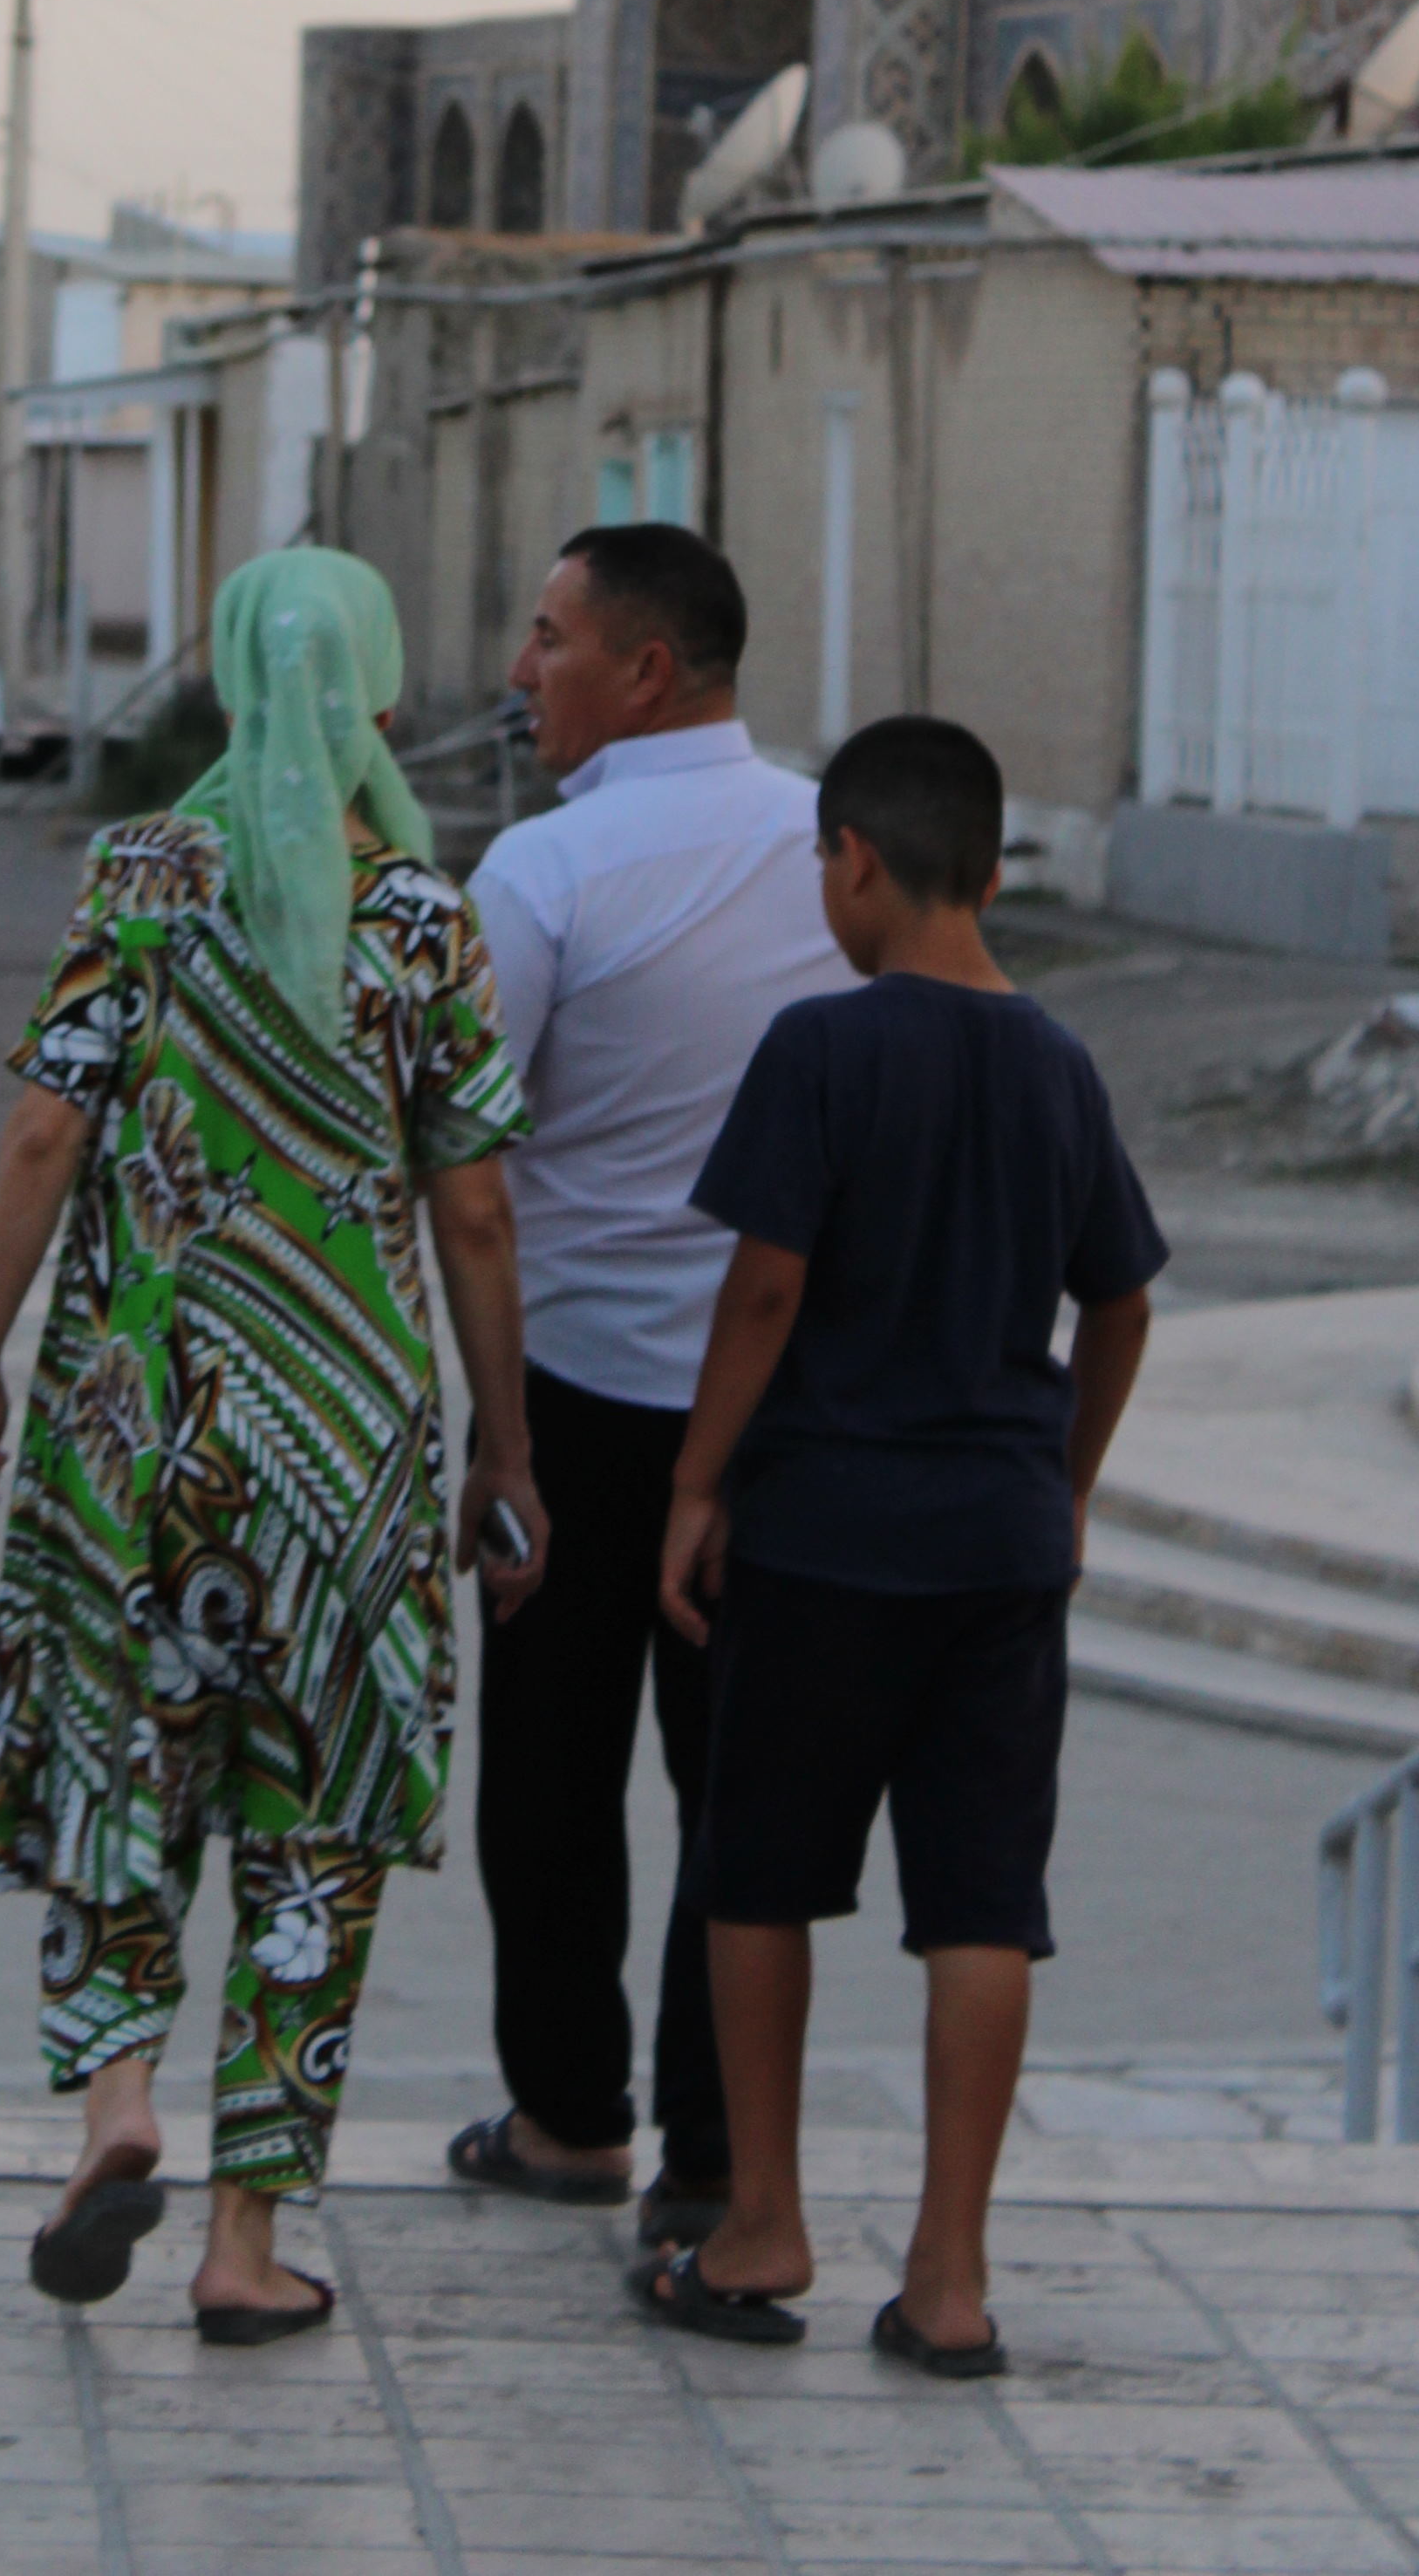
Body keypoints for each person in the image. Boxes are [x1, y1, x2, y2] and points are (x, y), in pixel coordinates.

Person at [0, 548, 547, 2345]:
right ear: (363, 680)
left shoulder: (136, 880)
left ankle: (119, 2104)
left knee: (123, 1766)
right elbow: (481, 1215)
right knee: (315, 1828)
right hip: (340, 1448)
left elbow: (43, 1134)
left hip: (138, 1420)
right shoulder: (424, 918)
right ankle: (246, 2241)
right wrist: (504, 1453)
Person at [645, 714, 1163, 2380]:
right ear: (996, 870)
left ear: (851, 859)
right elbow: (1123, 1292)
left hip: (826, 1534)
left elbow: (768, 1285)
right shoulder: (1061, 1061)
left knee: (760, 1874)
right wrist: (1066, 1480)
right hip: (1002, 1544)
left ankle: (764, 2220)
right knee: (983, 1905)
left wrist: (694, 1483)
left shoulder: (821, 1045)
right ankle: (949, 2275)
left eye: (822, 862)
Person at [450, 526, 850, 2236]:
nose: (521, 671)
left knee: (550, 1777)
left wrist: (497, 1440)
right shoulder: (843, 843)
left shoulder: (542, 877)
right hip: (780, 1410)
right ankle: (714, 2153)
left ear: (647, 671)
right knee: (741, 1788)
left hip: (576, 1405)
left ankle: (568, 2116)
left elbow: (465, 1171)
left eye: (547, 638)